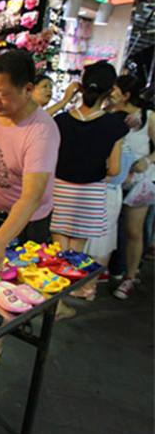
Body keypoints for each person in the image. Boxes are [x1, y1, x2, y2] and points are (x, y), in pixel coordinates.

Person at [0, 50, 61, 371]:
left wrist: (0, 241)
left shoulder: (42, 131)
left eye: (3, 94)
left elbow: (32, 196)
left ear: (27, 89)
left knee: (9, 285)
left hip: (25, 223)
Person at [50, 61, 127, 299]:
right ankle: (74, 291)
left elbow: (37, 120)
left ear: (80, 88)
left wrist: (64, 101)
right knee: (77, 251)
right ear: (109, 90)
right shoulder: (114, 125)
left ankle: (55, 296)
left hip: (60, 189)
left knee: (58, 249)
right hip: (91, 193)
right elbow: (114, 169)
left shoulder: (61, 121)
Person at [102, 76, 155, 299]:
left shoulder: (149, 117)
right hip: (112, 182)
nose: (110, 93)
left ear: (126, 95)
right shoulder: (108, 114)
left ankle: (129, 277)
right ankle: (103, 270)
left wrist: (148, 161)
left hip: (139, 183)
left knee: (133, 230)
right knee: (106, 228)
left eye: (114, 89)